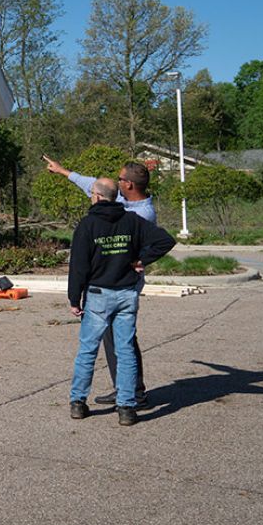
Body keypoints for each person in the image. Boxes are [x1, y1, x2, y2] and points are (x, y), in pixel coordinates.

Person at [44, 155, 154, 406]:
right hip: (113, 284)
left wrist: (141, 260)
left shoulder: (139, 214)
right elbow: (95, 185)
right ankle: (126, 392)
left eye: (120, 178)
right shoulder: (123, 203)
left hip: (120, 285)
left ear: (128, 185)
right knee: (116, 340)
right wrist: (63, 171)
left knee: (115, 344)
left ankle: (131, 392)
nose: (117, 181)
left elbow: (160, 241)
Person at [67, 177, 175, 426]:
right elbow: (165, 240)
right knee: (125, 351)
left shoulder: (88, 225)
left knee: (87, 350)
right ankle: (126, 408)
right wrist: (141, 260)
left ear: (96, 195)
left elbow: (79, 266)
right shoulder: (132, 220)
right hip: (127, 294)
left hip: (98, 296)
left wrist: (75, 298)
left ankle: (78, 403)